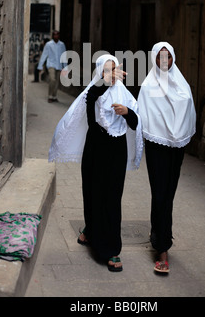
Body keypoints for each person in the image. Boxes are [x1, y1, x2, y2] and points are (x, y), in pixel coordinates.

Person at [48, 54, 143, 272]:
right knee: (92, 193)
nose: (111, 75)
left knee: (111, 198)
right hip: (96, 149)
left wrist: (127, 113)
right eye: (106, 71)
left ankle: (110, 250)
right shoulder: (94, 92)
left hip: (116, 151)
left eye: (114, 70)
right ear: (100, 72)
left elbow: (137, 123)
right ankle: (91, 230)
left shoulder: (124, 93)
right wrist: (106, 79)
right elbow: (92, 102)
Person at [138, 42, 196, 274]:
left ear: (173, 58)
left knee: (168, 193)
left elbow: (188, 112)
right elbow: (142, 116)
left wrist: (177, 134)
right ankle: (161, 247)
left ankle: (160, 234)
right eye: (160, 57)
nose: (165, 62)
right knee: (160, 193)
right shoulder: (148, 85)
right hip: (157, 146)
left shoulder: (182, 85)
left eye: (168, 57)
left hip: (177, 147)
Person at [37, 30, 67, 102]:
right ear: (52, 36)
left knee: (56, 82)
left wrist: (65, 68)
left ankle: (54, 96)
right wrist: (40, 66)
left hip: (59, 65)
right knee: (52, 79)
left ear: (59, 36)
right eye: (54, 35)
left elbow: (64, 56)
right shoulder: (49, 44)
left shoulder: (62, 45)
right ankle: (50, 96)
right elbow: (44, 55)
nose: (56, 36)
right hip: (51, 65)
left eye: (57, 35)